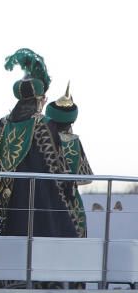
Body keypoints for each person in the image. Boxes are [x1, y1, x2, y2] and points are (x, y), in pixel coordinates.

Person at [0, 49, 82, 237]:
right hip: (39, 200)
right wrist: (69, 190)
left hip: (3, 197)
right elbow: (56, 164)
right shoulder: (43, 124)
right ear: (39, 100)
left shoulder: (3, 122)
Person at [45, 83, 92, 237]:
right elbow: (84, 178)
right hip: (71, 200)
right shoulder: (74, 141)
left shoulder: (42, 138)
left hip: (43, 196)